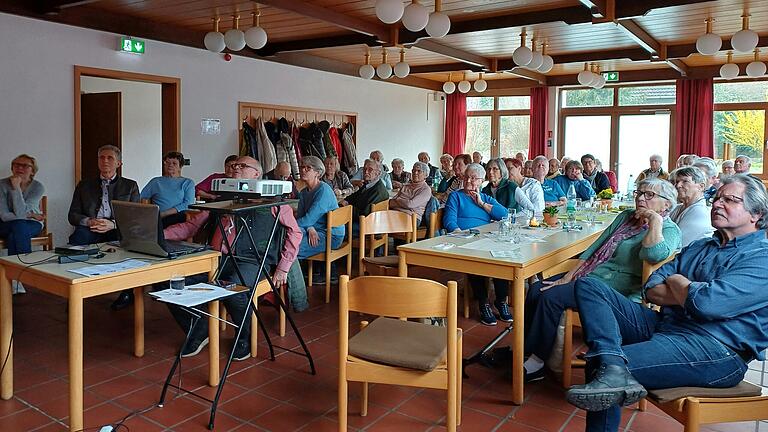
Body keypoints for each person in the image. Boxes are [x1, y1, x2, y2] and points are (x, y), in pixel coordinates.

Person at [566, 174, 768, 432]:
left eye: (730, 200)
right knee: (589, 285)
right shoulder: (702, 246)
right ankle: (610, 357)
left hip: (717, 351)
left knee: (603, 369)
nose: (717, 204)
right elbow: (652, 288)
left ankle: (610, 364)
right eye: (717, 198)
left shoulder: (762, 258)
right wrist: (689, 290)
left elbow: (708, 304)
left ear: (756, 214)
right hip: (669, 326)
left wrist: (679, 283)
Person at [523, 179, 681, 382]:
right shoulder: (626, 216)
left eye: (649, 195)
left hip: (617, 292)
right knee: (536, 288)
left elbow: (653, 254)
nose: (641, 198)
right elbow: (596, 246)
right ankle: (525, 350)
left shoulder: (669, 230)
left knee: (550, 297)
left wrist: (655, 221)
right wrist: (569, 276)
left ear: (667, 204)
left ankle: (537, 362)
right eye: (639, 193)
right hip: (591, 275)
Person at [164, 155, 305, 360]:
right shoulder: (221, 199)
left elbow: (295, 233)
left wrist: (284, 267)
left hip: (253, 260)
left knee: (232, 288)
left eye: (242, 166)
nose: (235, 168)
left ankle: (243, 335)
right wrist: (158, 235)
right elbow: (191, 226)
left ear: (256, 174)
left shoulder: (275, 202)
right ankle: (199, 326)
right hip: (218, 258)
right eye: (234, 165)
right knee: (171, 283)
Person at [68, 145, 140, 310]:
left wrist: (113, 224)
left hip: (117, 228)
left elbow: (134, 216)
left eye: (110, 158)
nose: (105, 161)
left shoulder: (130, 186)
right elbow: (73, 215)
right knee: (78, 240)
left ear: (119, 163)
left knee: (128, 245)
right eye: (101, 158)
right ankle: (74, 290)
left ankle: (127, 292)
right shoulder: (84, 185)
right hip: (91, 227)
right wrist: (89, 221)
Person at [443, 163, 508, 325]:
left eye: (473, 178)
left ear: (481, 181)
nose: (469, 181)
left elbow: (505, 214)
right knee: (475, 260)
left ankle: (501, 301)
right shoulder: (456, 196)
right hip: (465, 239)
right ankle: (483, 303)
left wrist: (482, 204)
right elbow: (449, 220)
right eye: (466, 177)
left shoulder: (485, 198)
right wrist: (461, 234)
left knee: (502, 260)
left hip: (485, 240)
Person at [0, 154, 45, 294]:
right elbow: (4, 215)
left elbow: (19, 213)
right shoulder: (1, 185)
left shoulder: (38, 187)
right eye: (16, 164)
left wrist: (16, 189)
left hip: (32, 224)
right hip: (5, 224)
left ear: (33, 170)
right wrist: (32, 214)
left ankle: (14, 278)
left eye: (25, 165)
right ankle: (23, 275)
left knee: (18, 231)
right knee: (19, 225)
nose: (20, 168)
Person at [296, 156, 344, 259]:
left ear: (318, 173)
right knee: (288, 239)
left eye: (308, 168)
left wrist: (289, 225)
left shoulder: (323, 190)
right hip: (314, 229)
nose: (303, 170)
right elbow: (302, 216)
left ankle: (293, 274)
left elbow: (308, 219)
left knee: (292, 247)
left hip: (332, 235)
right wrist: (310, 227)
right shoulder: (304, 192)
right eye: (302, 167)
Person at [140, 151, 195, 228]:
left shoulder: (187, 182)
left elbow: (188, 204)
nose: (170, 165)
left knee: (181, 218)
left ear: (180, 167)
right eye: (167, 162)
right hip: (157, 218)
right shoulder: (156, 181)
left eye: (174, 163)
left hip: (177, 216)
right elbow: (141, 197)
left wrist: (164, 213)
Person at [669, 166, 715, 247]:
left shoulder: (700, 212)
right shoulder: (677, 207)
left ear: (701, 186)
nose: (678, 185)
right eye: (677, 181)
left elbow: (675, 244)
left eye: (685, 181)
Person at [340, 159, 389, 223]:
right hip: (359, 221)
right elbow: (354, 196)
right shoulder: (367, 184)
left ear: (378, 173)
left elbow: (365, 215)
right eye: (364, 169)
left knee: (332, 228)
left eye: (370, 169)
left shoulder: (378, 191)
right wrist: (346, 201)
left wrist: (347, 207)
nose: (366, 172)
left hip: (366, 226)